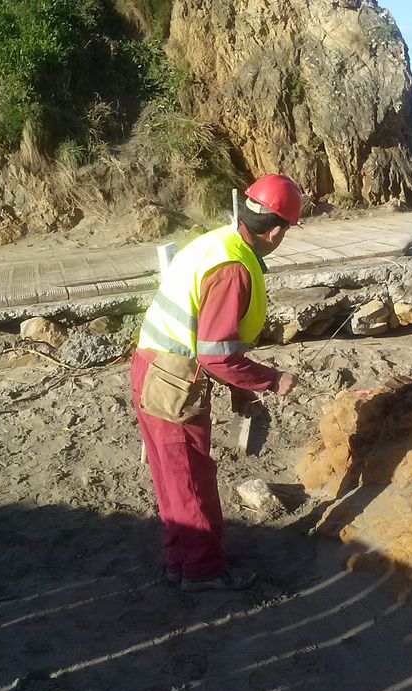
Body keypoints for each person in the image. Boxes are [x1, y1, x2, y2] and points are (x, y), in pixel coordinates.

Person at [130, 175, 302, 592]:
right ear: (276, 230)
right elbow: (215, 355)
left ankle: (180, 562)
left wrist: (240, 391)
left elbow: (211, 339)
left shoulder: (217, 244)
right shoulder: (233, 271)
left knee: (171, 477)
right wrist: (271, 380)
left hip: (152, 370)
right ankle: (204, 573)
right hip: (174, 381)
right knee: (191, 479)